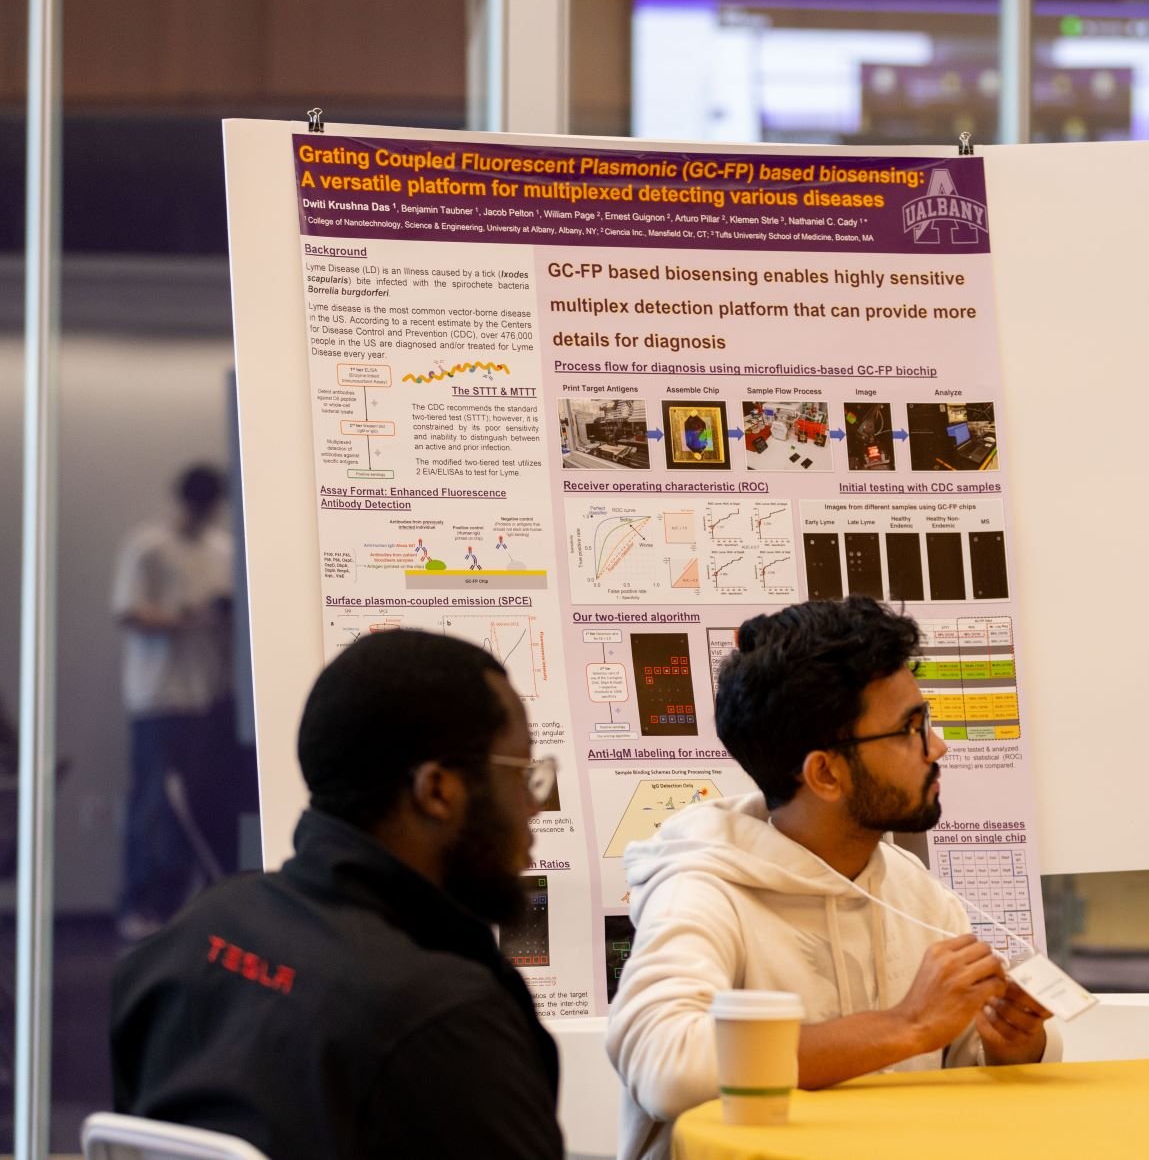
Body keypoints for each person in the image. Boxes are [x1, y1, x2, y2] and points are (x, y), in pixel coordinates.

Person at [607, 597, 1058, 1158]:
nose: (937, 748)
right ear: (824, 773)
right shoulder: (700, 889)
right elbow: (667, 1066)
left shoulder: (913, 890)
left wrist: (1012, 1044)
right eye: (910, 729)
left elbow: (959, 1069)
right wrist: (906, 1025)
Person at [111, 629, 564, 1160]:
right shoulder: (441, 1021)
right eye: (524, 772)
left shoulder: (189, 938)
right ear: (437, 791)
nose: (536, 805)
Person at [113, 463, 238, 938]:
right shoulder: (148, 547)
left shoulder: (222, 549)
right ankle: (141, 906)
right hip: (157, 696)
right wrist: (187, 618)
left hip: (208, 695)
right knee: (153, 805)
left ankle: (185, 904)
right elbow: (129, 612)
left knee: (202, 806)